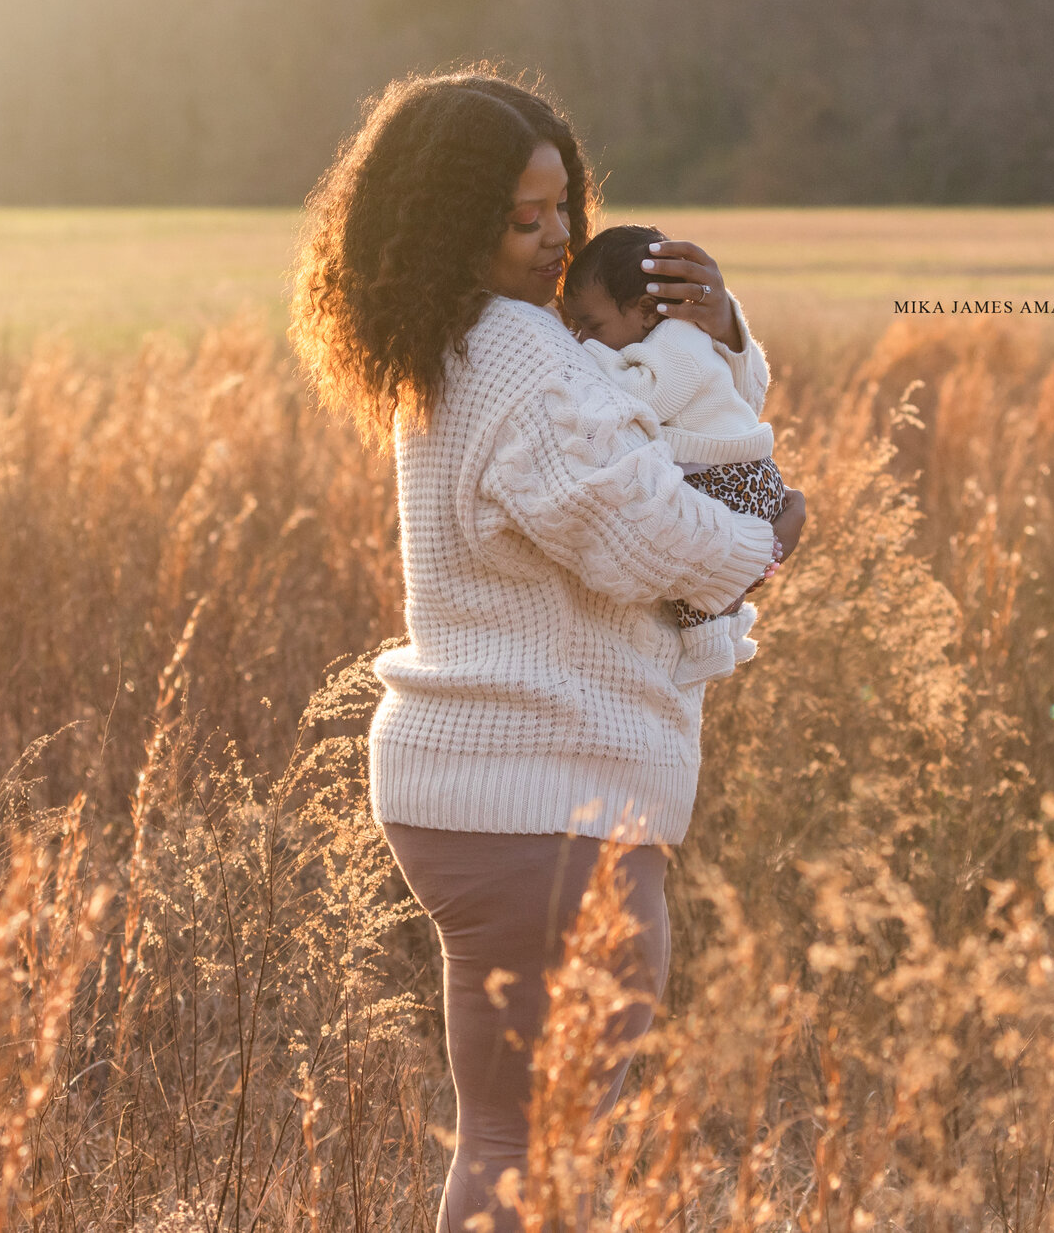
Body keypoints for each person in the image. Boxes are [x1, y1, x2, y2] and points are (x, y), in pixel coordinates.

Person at [289, 70, 809, 1233]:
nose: (553, 238)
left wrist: (718, 335)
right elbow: (640, 528)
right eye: (520, 220)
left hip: (494, 798)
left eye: (560, 207)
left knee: (516, 1141)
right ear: (446, 224)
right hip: (547, 798)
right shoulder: (519, 354)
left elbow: (644, 410)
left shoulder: (461, 344)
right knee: (553, 1153)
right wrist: (767, 537)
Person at [562, 223, 794, 629]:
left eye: (593, 327)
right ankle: (713, 646)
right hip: (726, 472)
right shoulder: (652, 339)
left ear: (648, 311)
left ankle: (715, 648)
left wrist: (585, 355)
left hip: (732, 476)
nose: (582, 338)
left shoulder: (680, 338)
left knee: (703, 595)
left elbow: (646, 397)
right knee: (700, 601)